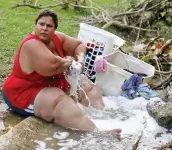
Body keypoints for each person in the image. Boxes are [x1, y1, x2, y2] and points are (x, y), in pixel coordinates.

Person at [2, 9, 121, 137]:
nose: (44, 28)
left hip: (51, 82)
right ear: (35, 25)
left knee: (88, 86)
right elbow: (53, 65)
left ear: (54, 28)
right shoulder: (31, 44)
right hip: (23, 92)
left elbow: (79, 46)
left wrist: (80, 61)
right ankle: (96, 132)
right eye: (41, 24)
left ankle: (104, 117)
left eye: (49, 26)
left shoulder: (57, 38)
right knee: (60, 101)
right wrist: (69, 61)